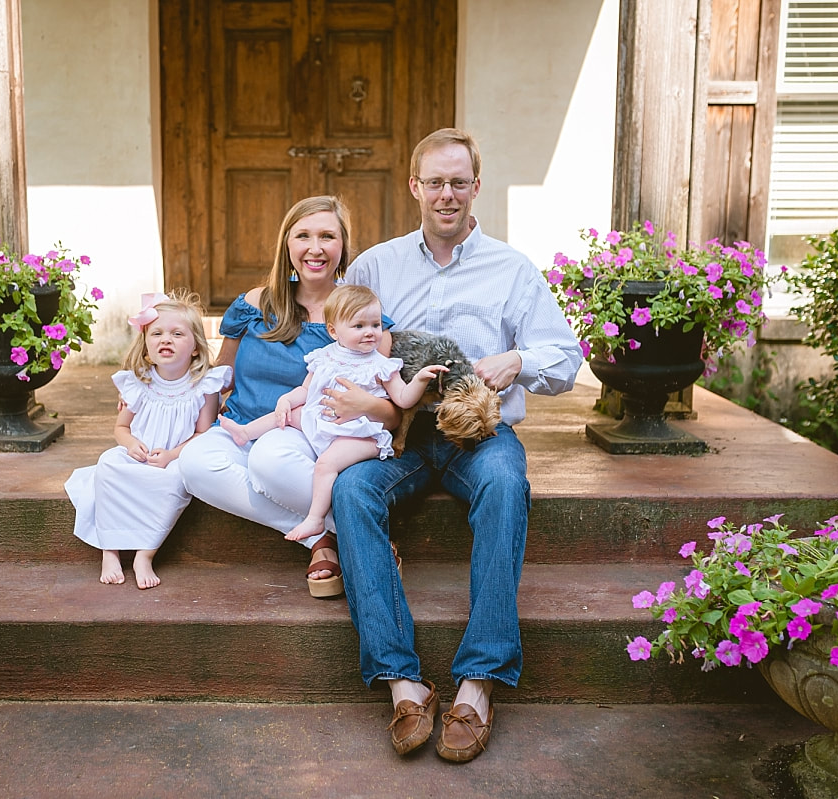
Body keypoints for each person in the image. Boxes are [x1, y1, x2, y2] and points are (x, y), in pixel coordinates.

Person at [328, 128, 583, 762]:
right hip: (402, 434)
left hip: (480, 432)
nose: (447, 194)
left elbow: (566, 357)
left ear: (476, 186)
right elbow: (337, 337)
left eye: (459, 182)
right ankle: (402, 682)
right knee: (351, 489)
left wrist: (517, 358)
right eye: (434, 182)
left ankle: (477, 684)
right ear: (414, 186)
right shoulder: (375, 266)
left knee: (505, 482)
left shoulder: (512, 268)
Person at [178, 196, 400, 598]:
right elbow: (220, 376)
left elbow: (389, 406)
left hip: (303, 434)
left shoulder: (362, 317)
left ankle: (335, 537)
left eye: (327, 236)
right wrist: (160, 403)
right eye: (303, 235)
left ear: (343, 247)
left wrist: (367, 407)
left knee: (270, 461)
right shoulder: (252, 305)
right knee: (194, 465)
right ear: (287, 243)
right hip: (242, 423)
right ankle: (327, 538)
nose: (315, 248)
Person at [218, 284, 446, 542]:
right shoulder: (325, 356)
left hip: (360, 435)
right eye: (358, 326)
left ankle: (315, 520)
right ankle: (246, 432)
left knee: (327, 465)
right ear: (333, 331)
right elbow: (305, 390)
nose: (369, 333)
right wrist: (286, 399)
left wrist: (419, 380)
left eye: (374, 325)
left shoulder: (382, 366)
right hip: (325, 421)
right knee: (289, 413)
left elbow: (403, 400)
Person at [64, 290, 231, 589]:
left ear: (195, 347)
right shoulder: (137, 383)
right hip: (138, 456)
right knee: (106, 465)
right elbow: (121, 428)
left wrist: (171, 456)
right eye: (157, 333)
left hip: (172, 460)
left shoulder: (204, 385)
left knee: (174, 483)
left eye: (177, 333)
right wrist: (130, 445)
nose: (165, 339)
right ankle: (109, 550)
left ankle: (145, 554)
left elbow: (204, 433)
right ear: (146, 347)